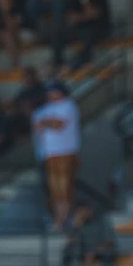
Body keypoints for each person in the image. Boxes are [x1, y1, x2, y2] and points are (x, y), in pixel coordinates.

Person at [32, 81, 80, 229]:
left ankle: (63, 218)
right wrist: (47, 122)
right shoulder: (47, 108)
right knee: (54, 189)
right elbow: (38, 125)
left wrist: (46, 122)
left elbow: (58, 125)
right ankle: (58, 218)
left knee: (64, 187)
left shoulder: (68, 105)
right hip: (49, 152)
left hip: (65, 151)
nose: (49, 94)